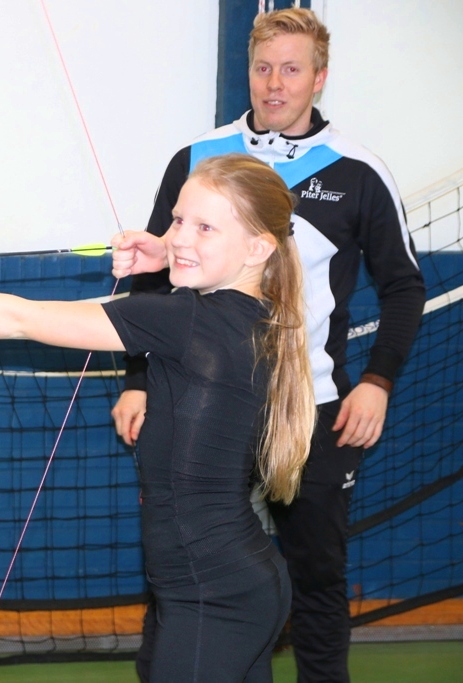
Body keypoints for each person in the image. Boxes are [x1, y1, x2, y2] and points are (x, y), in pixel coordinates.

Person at [0, 154, 314, 682]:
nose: (178, 236)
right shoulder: (257, 314)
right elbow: (209, 264)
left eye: (204, 228)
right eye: (178, 220)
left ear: (258, 248)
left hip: (211, 596)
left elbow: (17, 319)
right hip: (239, 583)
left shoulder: (184, 320)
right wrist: (177, 252)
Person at [113, 9, 426, 682]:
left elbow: (404, 286)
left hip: (311, 408)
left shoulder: (359, 171)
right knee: (182, 572)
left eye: (291, 69)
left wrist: (377, 382)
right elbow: (153, 273)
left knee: (316, 575)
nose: (275, 84)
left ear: (320, 76)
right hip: (203, 408)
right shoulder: (198, 158)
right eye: (263, 68)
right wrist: (137, 381)